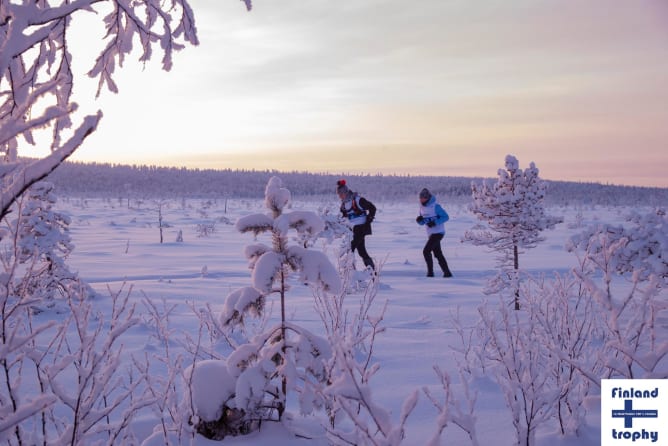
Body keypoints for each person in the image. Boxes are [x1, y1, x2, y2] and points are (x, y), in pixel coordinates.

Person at [337, 179, 376, 271]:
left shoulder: (358, 200)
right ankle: (372, 272)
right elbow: (343, 218)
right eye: (338, 195)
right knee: (361, 252)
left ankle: (351, 273)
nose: (339, 196)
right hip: (352, 230)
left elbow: (372, 208)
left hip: (361, 228)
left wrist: (368, 221)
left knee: (350, 249)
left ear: (345, 192)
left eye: (340, 194)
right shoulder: (343, 205)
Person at [416, 188, 453, 278]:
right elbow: (423, 222)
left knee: (426, 251)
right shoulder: (422, 208)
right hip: (430, 234)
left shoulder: (436, 206)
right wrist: (419, 221)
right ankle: (447, 273)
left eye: (423, 198)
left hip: (438, 233)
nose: (421, 200)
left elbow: (446, 217)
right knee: (437, 253)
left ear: (427, 198)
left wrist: (435, 222)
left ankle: (430, 273)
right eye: (420, 198)